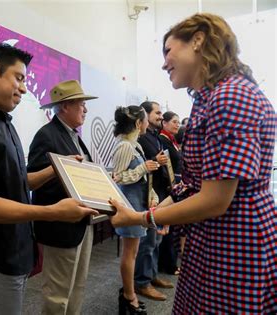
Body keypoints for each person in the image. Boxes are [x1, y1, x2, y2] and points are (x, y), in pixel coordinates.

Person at [110, 13, 277, 314]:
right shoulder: (212, 98)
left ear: (198, 40)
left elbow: (215, 200)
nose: (164, 63)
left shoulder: (232, 96)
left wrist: (141, 218)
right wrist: (152, 213)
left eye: (168, 51)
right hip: (214, 237)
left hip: (235, 243)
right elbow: (193, 185)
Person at [0, 44, 98, 315]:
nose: (24, 88)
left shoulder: (2, 121)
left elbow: (19, 181)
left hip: (13, 251)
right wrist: (52, 212)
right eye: (19, 78)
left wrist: (58, 169)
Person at [27, 79, 97, 315]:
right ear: (65, 106)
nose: (86, 109)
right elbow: (32, 179)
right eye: (81, 104)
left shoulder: (73, 136)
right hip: (60, 227)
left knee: (77, 287)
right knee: (57, 295)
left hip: (82, 223)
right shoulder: (46, 135)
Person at [112, 105, 160, 315]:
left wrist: (152, 197)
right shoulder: (125, 146)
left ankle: (129, 292)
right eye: (146, 120)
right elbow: (117, 178)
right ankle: (129, 296)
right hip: (129, 205)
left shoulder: (134, 145)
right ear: (139, 123)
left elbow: (140, 177)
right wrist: (143, 168)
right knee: (130, 254)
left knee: (134, 252)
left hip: (138, 203)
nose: (148, 123)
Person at [134, 101, 174, 301]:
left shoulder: (155, 138)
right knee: (148, 242)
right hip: (147, 197)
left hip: (159, 194)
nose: (161, 116)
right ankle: (142, 282)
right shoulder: (139, 139)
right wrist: (155, 162)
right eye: (157, 113)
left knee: (157, 239)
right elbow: (139, 167)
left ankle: (152, 275)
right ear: (145, 115)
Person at [157, 111, 182, 276]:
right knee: (167, 227)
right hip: (167, 187)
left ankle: (170, 263)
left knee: (172, 227)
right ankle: (169, 264)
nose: (177, 125)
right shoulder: (162, 140)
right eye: (174, 121)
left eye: (178, 122)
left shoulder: (172, 140)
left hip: (175, 185)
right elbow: (166, 166)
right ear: (164, 123)